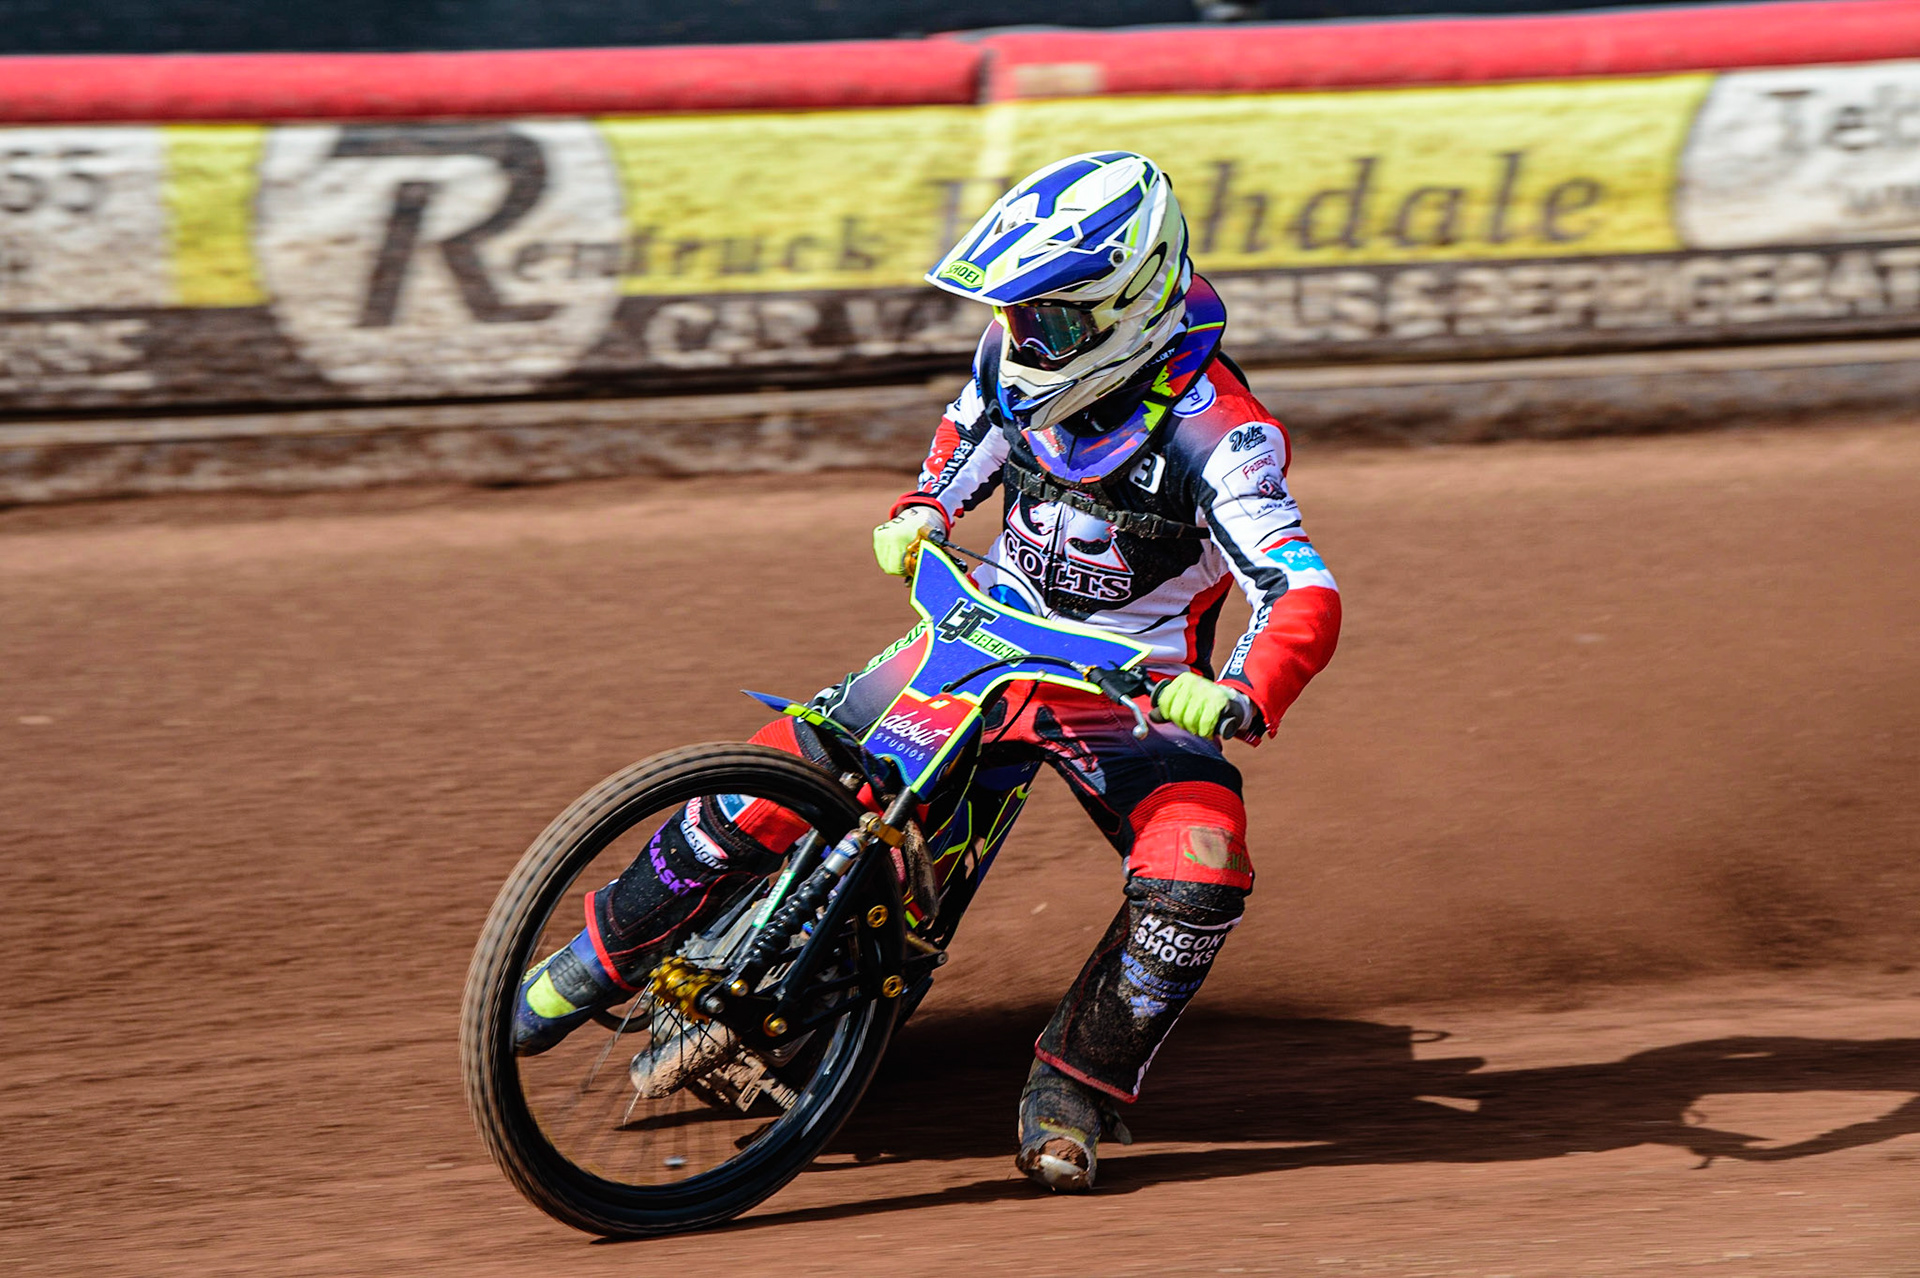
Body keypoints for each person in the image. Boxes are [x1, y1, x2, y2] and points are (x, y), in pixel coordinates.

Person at [511, 151, 1341, 1192]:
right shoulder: (1012, 360)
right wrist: (925, 507)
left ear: (1127, 305)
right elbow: (967, 429)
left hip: (1123, 693)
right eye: (1015, 315)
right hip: (979, 632)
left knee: (1200, 869)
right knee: (779, 776)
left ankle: (1076, 1086)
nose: (1022, 337)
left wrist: (1243, 689)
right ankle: (594, 960)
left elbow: (1300, 588)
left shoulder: (1224, 433)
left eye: (1048, 320)